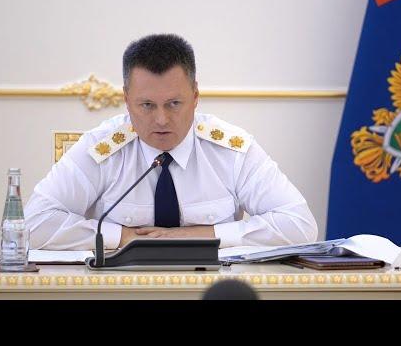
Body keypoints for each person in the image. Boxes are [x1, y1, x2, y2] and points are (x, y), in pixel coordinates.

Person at [24, 34, 318, 250]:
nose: (162, 120)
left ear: (195, 96)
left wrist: (202, 235)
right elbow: (32, 224)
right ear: (126, 99)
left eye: (174, 104)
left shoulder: (231, 149)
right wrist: (124, 237)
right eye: (147, 105)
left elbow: (300, 225)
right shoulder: (102, 149)